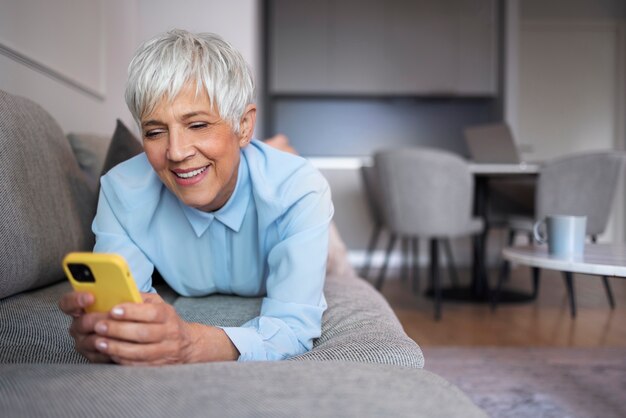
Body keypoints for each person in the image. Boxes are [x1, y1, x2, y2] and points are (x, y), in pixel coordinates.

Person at [59, 29, 333, 365]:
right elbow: (127, 310)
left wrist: (190, 344)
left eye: (198, 125)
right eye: (155, 132)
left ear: (244, 126)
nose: (175, 152)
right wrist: (113, 334)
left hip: (291, 199)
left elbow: (293, 328)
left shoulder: (300, 190)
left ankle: (275, 150)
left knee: (334, 257)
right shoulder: (121, 190)